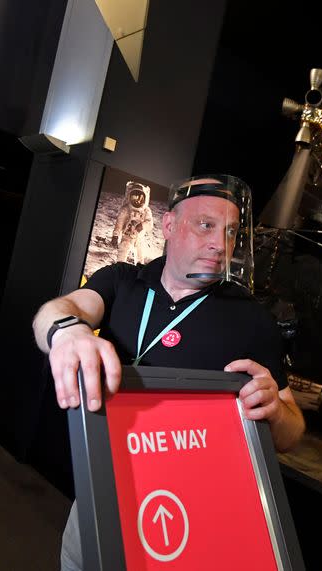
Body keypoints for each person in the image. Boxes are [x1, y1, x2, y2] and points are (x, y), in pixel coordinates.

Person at [32, 174, 305, 570]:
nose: (219, 244)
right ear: (169, 226)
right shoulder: (122, 281)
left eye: (229, 232)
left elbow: (292, 431)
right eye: (205, 225)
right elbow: (54, 313)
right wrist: (68, 332)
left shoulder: (251, 319)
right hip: (103, 492)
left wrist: (276, 412)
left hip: (190, 516)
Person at [111, 180, 154, 264]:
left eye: (140, 198)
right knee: (123, 252)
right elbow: (119, 224)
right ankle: (120, 266)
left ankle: (139, 268)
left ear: (145, 198)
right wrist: (115, 236)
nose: (137, 200)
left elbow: (150, 224)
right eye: (134, 197)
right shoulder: (126, 209)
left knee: (140, 257)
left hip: (139, 238)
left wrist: (142, 225)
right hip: (126, 237)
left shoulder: (146, 210)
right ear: (129, 196)